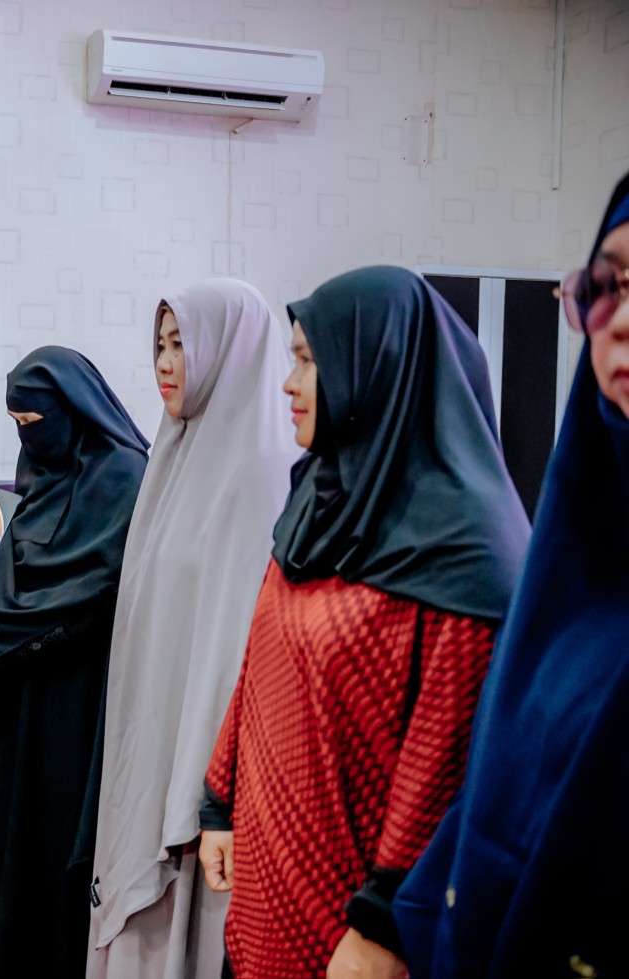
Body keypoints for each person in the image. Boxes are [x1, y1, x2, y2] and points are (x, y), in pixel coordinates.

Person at [197, 266, 531, 979]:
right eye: (292, 357)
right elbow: (260, 659)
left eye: (309, 360)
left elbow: (445, 765)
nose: (289, 383)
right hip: (264, 887)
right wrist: (219, 798)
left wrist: (383, 921)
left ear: (378, 368)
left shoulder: (470, 551)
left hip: (352, 929)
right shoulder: (319, 501)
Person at [393, 173, 629, 978]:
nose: (621, 322)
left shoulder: (481, 545)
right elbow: (497, 779)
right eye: (607, 286)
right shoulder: (578, 560)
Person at [87, 281, 301, 978]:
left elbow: (233, 649)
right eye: (160, 345)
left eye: (183, 344)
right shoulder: (173, 455)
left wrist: (202, 793)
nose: (166, 362)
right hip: (153, 731)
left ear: (231, 350)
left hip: (205, 771)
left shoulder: (260, 473)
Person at [0, 346, 150, 979]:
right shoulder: (49, 464)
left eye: (35, 422)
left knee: (48, 835)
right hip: (17, 686)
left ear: (75, 411)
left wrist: (6, 619)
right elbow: (34, 528)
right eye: (17, 424)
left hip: (73, 695)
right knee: (5, 825)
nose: (29, 436)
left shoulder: (124, 477)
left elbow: (88, 584)